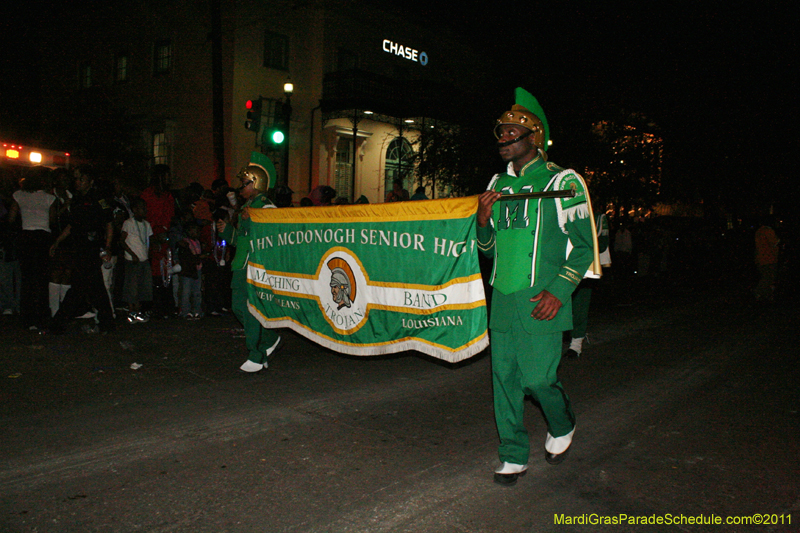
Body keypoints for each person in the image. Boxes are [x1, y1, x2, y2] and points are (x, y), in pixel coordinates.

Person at [476, 88, 599, 486]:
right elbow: (488, 251)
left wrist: (558, 292)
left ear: (534, 138)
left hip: (543, 299)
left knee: (537, 379)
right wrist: (481, 220)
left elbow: (584, 248)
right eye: (501, 132)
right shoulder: (497, 184)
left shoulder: (565, 181)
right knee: (504, 382)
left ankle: (563, 421)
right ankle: (512, 453)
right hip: (503, 302)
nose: (503, 139)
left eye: (512, 132)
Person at [218, 153, 282, 372]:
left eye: (244, 183)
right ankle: (269, 338)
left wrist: (252, 221)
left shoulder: (266, 207)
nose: (240, 188)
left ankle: (256, 353)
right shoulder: (248, 207)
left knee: (251, 309)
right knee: (238, 307)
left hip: (255, 266)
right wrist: (226, 231)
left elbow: (270, 238)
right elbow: (240, 240)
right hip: (241, 264)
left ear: (257, 183)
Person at [49, 167, 116, 333]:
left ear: (90, 181)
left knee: (81, 287)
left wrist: (107, 246)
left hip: (91, 248)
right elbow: (72, 225)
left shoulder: (99, 199)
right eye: (76, 179)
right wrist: (57, 241)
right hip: (79, 248)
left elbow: (109, 223)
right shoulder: (77, 200)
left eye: (81, 179)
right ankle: (107, 322)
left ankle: (58, 323)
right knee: (93, 288)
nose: (77, 182)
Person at [8, 167, 57, 331]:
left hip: (26, 237)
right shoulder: (50, 198)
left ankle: (27, 318)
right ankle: (42, 316)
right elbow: (52, 220)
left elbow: (11, 218)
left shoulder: (18, 195)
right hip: (43, 237)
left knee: (27, 278)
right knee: (42, 278)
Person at [566, 211, 611, 358]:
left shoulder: (596, 214)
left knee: (580, 304)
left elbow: (603, 242)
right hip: (561, 264)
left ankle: (576, 344)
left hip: (583, 265)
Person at [120, 197, 153, 323]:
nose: (144, 210)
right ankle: (131, 311)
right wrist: (132, 254)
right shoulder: (128, 223)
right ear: (134, 210)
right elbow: (122, 241)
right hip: (132, 259)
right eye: (141, 208)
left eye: (145, 208)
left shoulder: (146, 224)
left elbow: (148, 241)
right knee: (131, 286)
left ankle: (138, 311)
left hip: (143, 259)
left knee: (142, 286)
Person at [176, 221, 204, 319]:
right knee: (186, 292)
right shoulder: (184, 243)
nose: (197, 233)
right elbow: (187, 257)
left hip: (196, 269)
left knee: (196, 292)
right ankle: (185, 311)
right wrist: (199, 258)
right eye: (194, 230)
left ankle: (196, 310)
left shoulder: (197, 242)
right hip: (187, 271)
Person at [754, 216, 779, 303]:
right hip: (769, 258)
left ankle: (766, 295)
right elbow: (775, 243)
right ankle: (759, 292)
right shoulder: (768, 231)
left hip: (760, 258)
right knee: (769, 278)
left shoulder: (759, 231)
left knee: (766, 276)